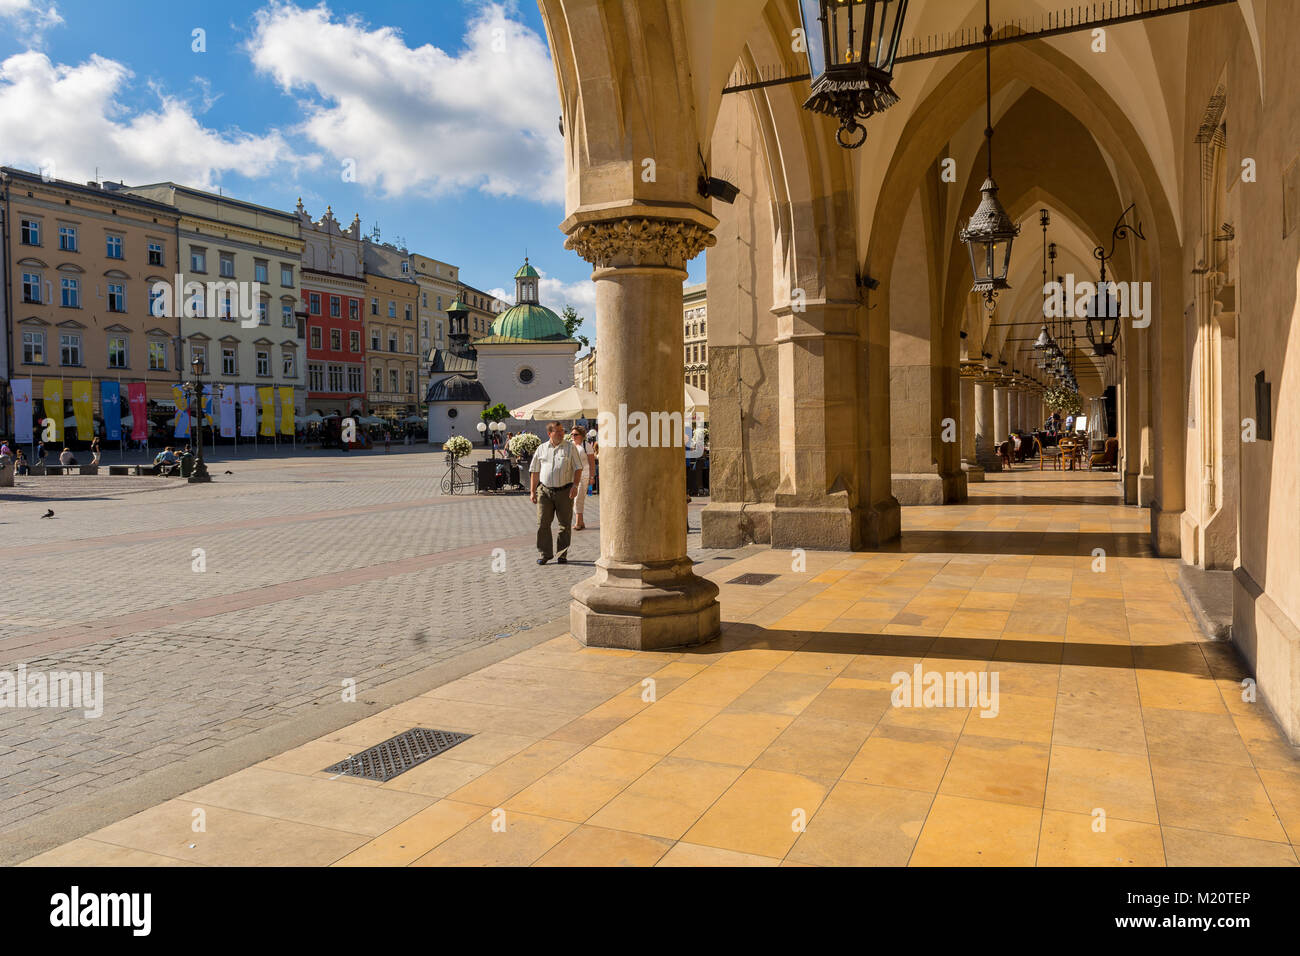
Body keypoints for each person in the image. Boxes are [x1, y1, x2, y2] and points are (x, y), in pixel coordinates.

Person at [530, 422, 584, 565]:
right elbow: (534, 470)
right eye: (558, 431)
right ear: (550, 434)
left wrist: (575, 485)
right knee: (542, 523)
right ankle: (545, 553)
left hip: (565, 491)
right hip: (544, 491)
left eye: (562, 431)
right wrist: (532, 491)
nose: (561, 433)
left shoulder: (570, 447)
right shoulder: (541, 448)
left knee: (564, 525)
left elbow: (578, 468)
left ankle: (562, 554)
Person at [570, 424, 593, 531]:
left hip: (584, 474)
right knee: (575, 498)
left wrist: (592, 476)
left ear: (582, 435)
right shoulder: (570, 445)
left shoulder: (586, 445)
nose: (573, 436)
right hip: (572, 475)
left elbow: (592, 463)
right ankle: (581, 521)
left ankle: (578, 522)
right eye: (572, 434)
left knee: (579, 497)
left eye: (576, 434)